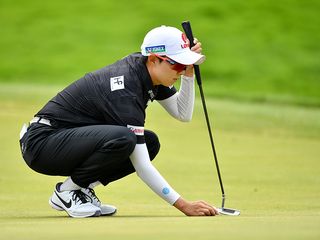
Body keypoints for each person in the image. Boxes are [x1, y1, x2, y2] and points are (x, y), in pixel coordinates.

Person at [19, 25, 219, 218]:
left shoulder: (150, 74)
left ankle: (80, 189)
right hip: (42, 144)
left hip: (64, 141)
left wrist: (189, 71)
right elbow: (142, 166)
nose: (180, 70)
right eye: (177, 64)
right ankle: (67, 192)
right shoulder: (126, 87)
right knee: (125, 138)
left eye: (184, 64)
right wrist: (184, 205)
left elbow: (183, 113)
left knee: (149, 143)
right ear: (153, 59)